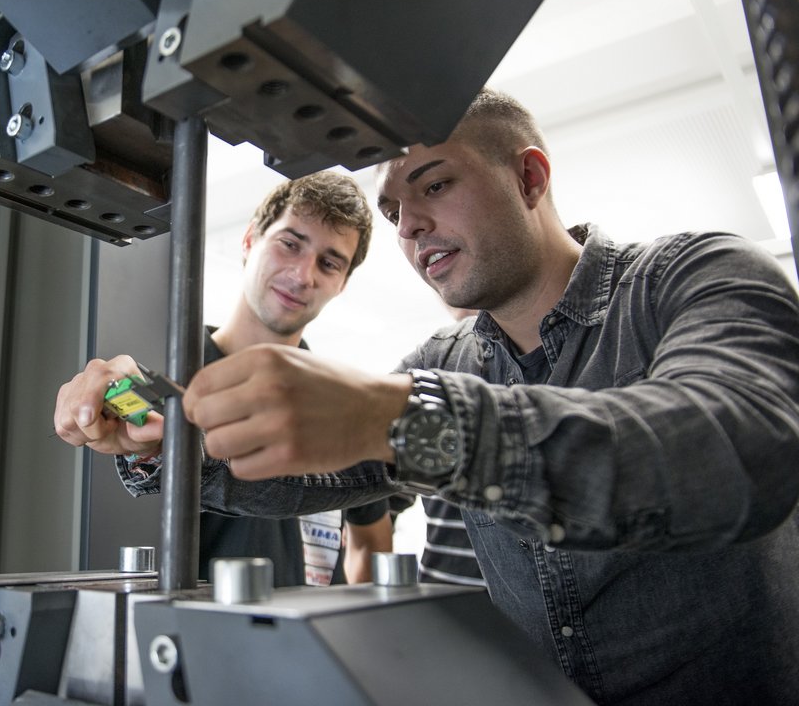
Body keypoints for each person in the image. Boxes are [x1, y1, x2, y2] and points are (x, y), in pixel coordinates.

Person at [75, 89, 799, 705]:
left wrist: (400, 418)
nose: (409, 225)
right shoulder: (440, 363)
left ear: (530, 177)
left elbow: (737, 450)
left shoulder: (695, 276)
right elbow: (309, 477)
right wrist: (164, 441)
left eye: (434, 184)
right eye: (392, 210)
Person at [55, 170, 393, 587]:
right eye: (290, 244)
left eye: (328, 263)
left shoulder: (341, 401)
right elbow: (142, 410)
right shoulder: (175, 377)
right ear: (250, 240)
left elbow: (369, 542)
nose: (304, 275)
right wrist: (109, 393)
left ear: (340, 284)